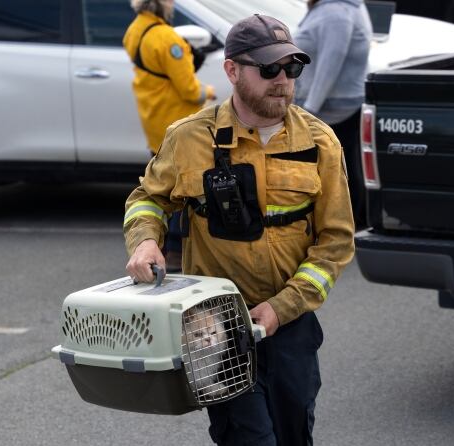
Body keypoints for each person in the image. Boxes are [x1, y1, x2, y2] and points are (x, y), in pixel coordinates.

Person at [124, 14, 355, 445]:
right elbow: (147, 199)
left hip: (290, 326)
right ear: (232, 70)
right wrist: (147, 242)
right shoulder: (189, 138)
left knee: (292, 436)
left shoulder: (320, 142)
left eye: (292, 68)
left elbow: (336, 241)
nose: (283, 79)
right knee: (248, 439)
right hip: (216, 327)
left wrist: (283, 307)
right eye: (268, 69)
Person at [123, 0, 216, 271]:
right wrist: (209, 92)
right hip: (176, 121)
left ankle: (161, 242)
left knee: (160, 183)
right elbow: (189, 90)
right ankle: (175, 248)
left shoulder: (135, 30)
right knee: (183, 188)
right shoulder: (167, 38)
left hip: (153, 117)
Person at [293, 0, 372, 227]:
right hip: (341, 104)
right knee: (345, 167)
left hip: (333, 109)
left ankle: (349, 225)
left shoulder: (336, 13)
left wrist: (310, 110)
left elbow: (332, 62)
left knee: (340, 171)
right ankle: (351, 223)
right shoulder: (341, 6)